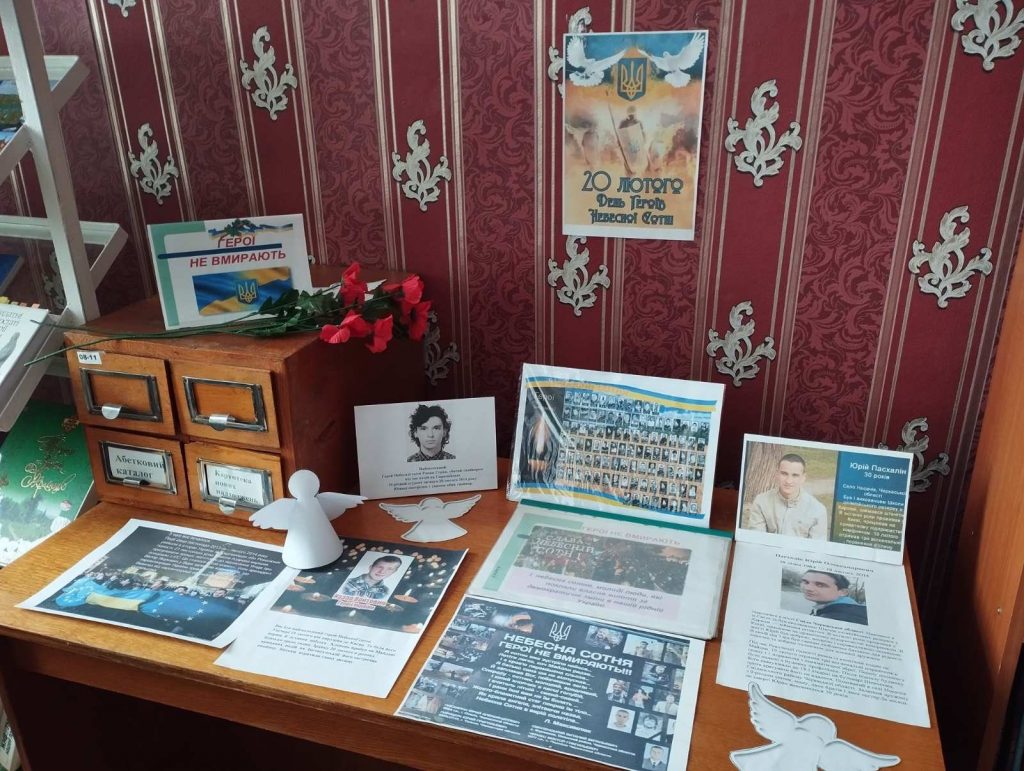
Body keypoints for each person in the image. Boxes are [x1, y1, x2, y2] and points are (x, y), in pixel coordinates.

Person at [746, 454, 828, 539]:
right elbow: (755, 539)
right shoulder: (761, 502)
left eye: (795, 475)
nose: (788, 481)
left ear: (803, 478)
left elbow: (816, 546)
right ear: (777, 474)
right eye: (784, 474)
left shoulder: (818, 510)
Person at [800, 570, 868, 625]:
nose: (808, 588)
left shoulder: (841, 618)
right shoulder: (851, 608)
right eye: (806, 582)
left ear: (843, 592)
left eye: (820, 585)